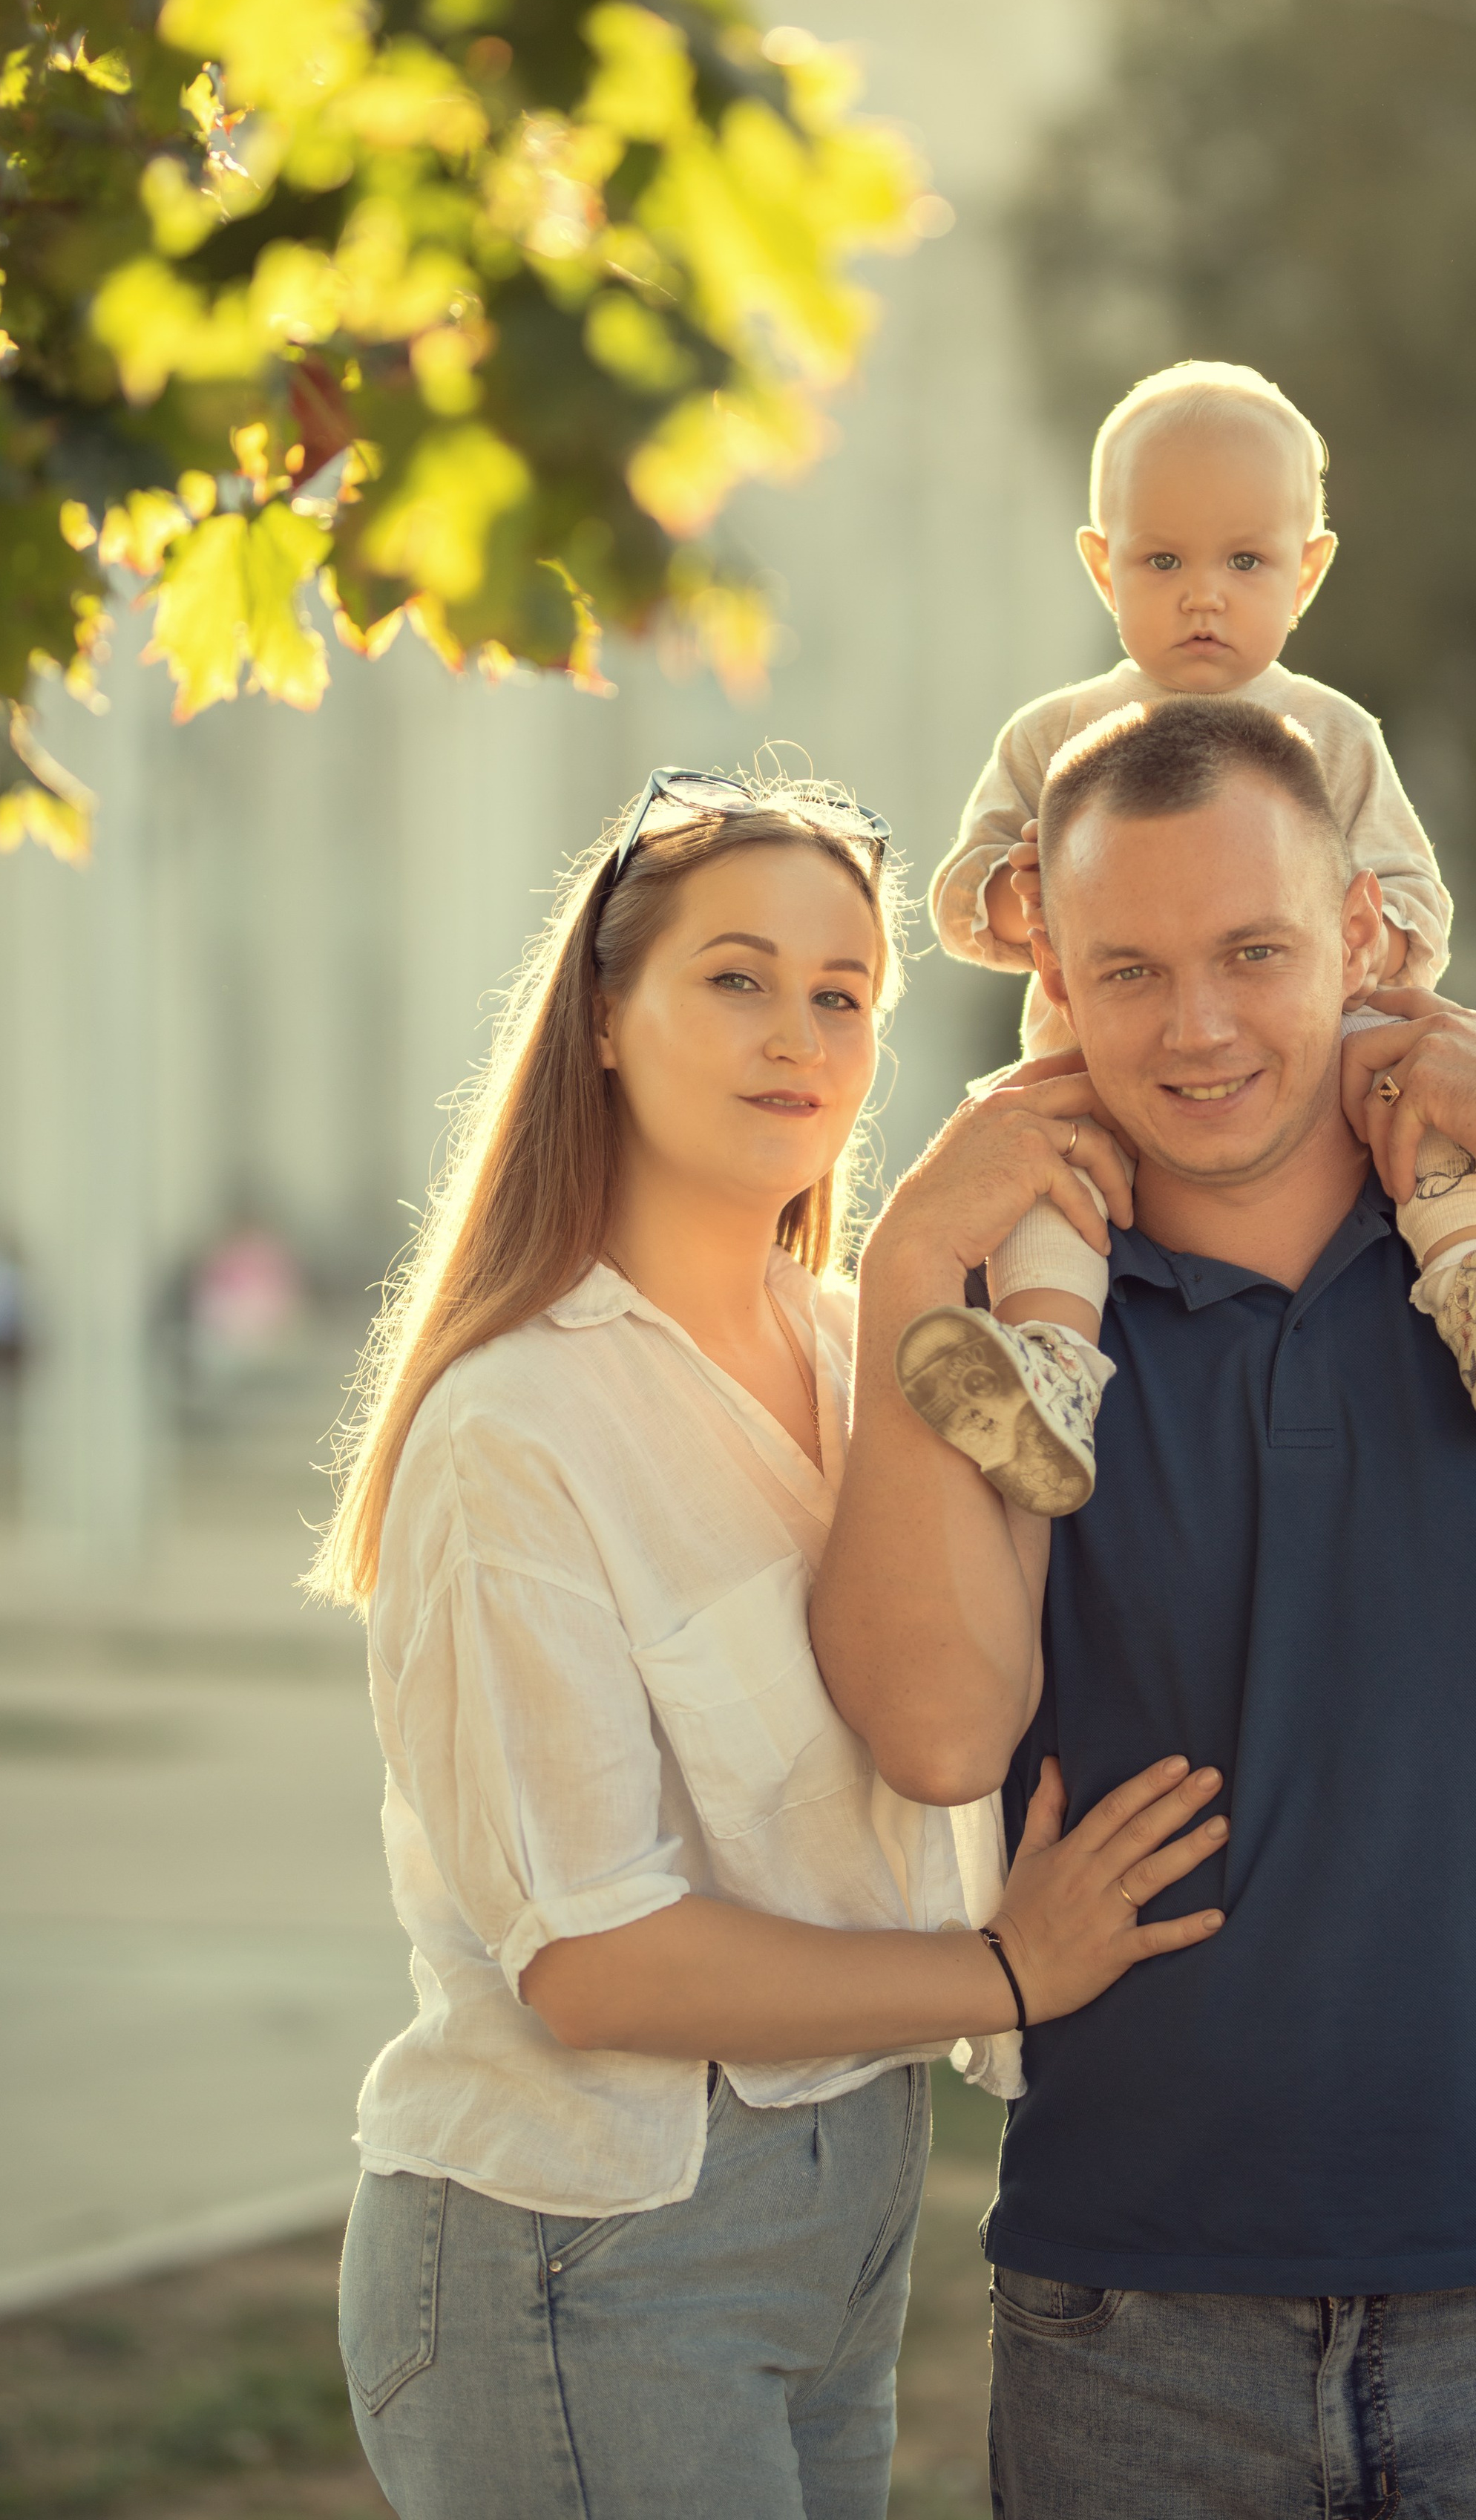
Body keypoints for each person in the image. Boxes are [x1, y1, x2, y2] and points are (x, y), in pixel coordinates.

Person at [813, 696, 1476, 2520]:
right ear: (1047, 962)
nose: (1196, 1026)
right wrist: (903, 1252)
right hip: (1130, 2331)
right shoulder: (1017, 1327)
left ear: (1362, 937)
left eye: (1254, 953)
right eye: (1128, 968)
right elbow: (935, 1733)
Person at [308, 766, 1226, 2520]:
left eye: (840, 994)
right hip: (588, 2244)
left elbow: (961, 1712)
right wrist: (1003, 1974)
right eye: (733, 977)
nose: (792, 1034)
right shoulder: (518, 1427)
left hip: (848, 2214)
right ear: (601, 1014)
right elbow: (595, 1963)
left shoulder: (858, 1349)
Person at [909, 359, 1476, 1513]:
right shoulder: (1056, 735)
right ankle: (1048, 1373)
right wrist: (1016, 894)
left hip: (1318, 1068)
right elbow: (957, 898)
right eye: (1163, 562)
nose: (1204, 595)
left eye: (1244, 562)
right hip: (1100, 1068)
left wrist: (1368, 948)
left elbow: (1415, 902)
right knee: (1042, 1164)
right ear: (1103, 564)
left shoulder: (1333, 737)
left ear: (1308, 570)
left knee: (1431, 1093)